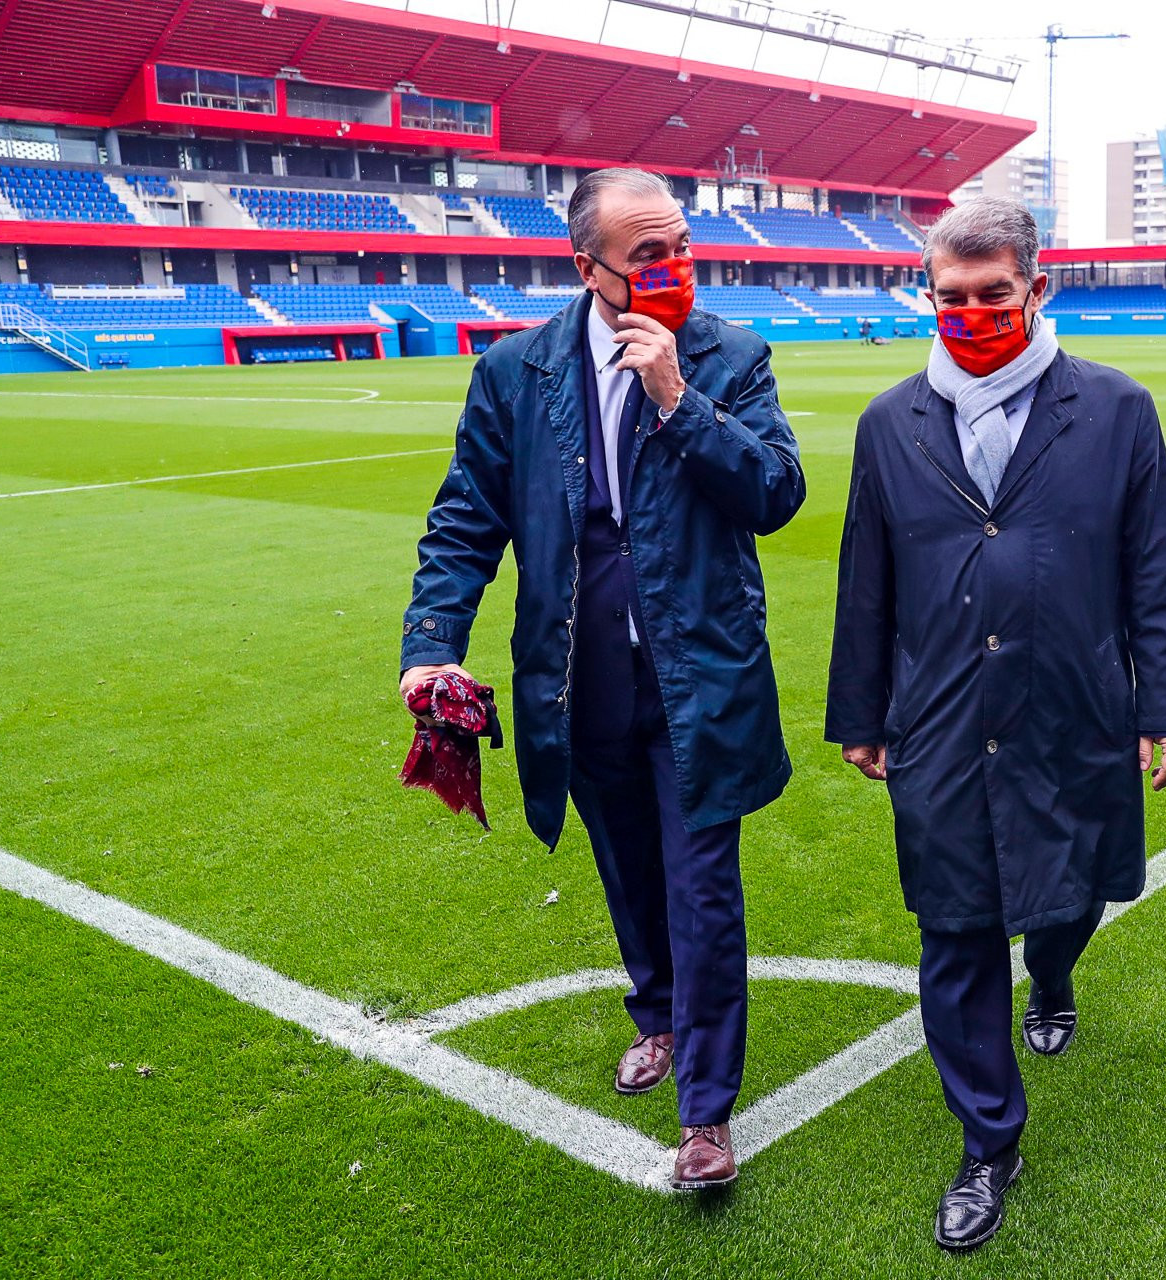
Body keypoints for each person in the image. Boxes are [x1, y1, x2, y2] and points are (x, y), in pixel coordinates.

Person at [398, 167, 805, 1190]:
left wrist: (675, 395)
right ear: (587, 268)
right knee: (626, 863)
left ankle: (706, 1110)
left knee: (701, 882)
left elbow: (776, 491)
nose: (674, 271)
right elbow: (463, 518)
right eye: (648, 256)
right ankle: (657, 1012)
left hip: (699, 671)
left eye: (683, 248)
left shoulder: (729, 354)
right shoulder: (515, 372)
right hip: (578, 673)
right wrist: (431, 640)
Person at [825, 196, 1166, 1251]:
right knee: (952, 926)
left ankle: (1056, 968)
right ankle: (988, 1139)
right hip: (938, 715)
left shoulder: (1117, 407)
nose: (973, 312)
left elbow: (1154, 568)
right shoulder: (886, 422)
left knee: (1067, 895)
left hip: (1072, 703)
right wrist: (859, 707)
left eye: (994, 293)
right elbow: (868, 578)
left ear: (1036, 289)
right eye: (951, 298)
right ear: (928, 297)